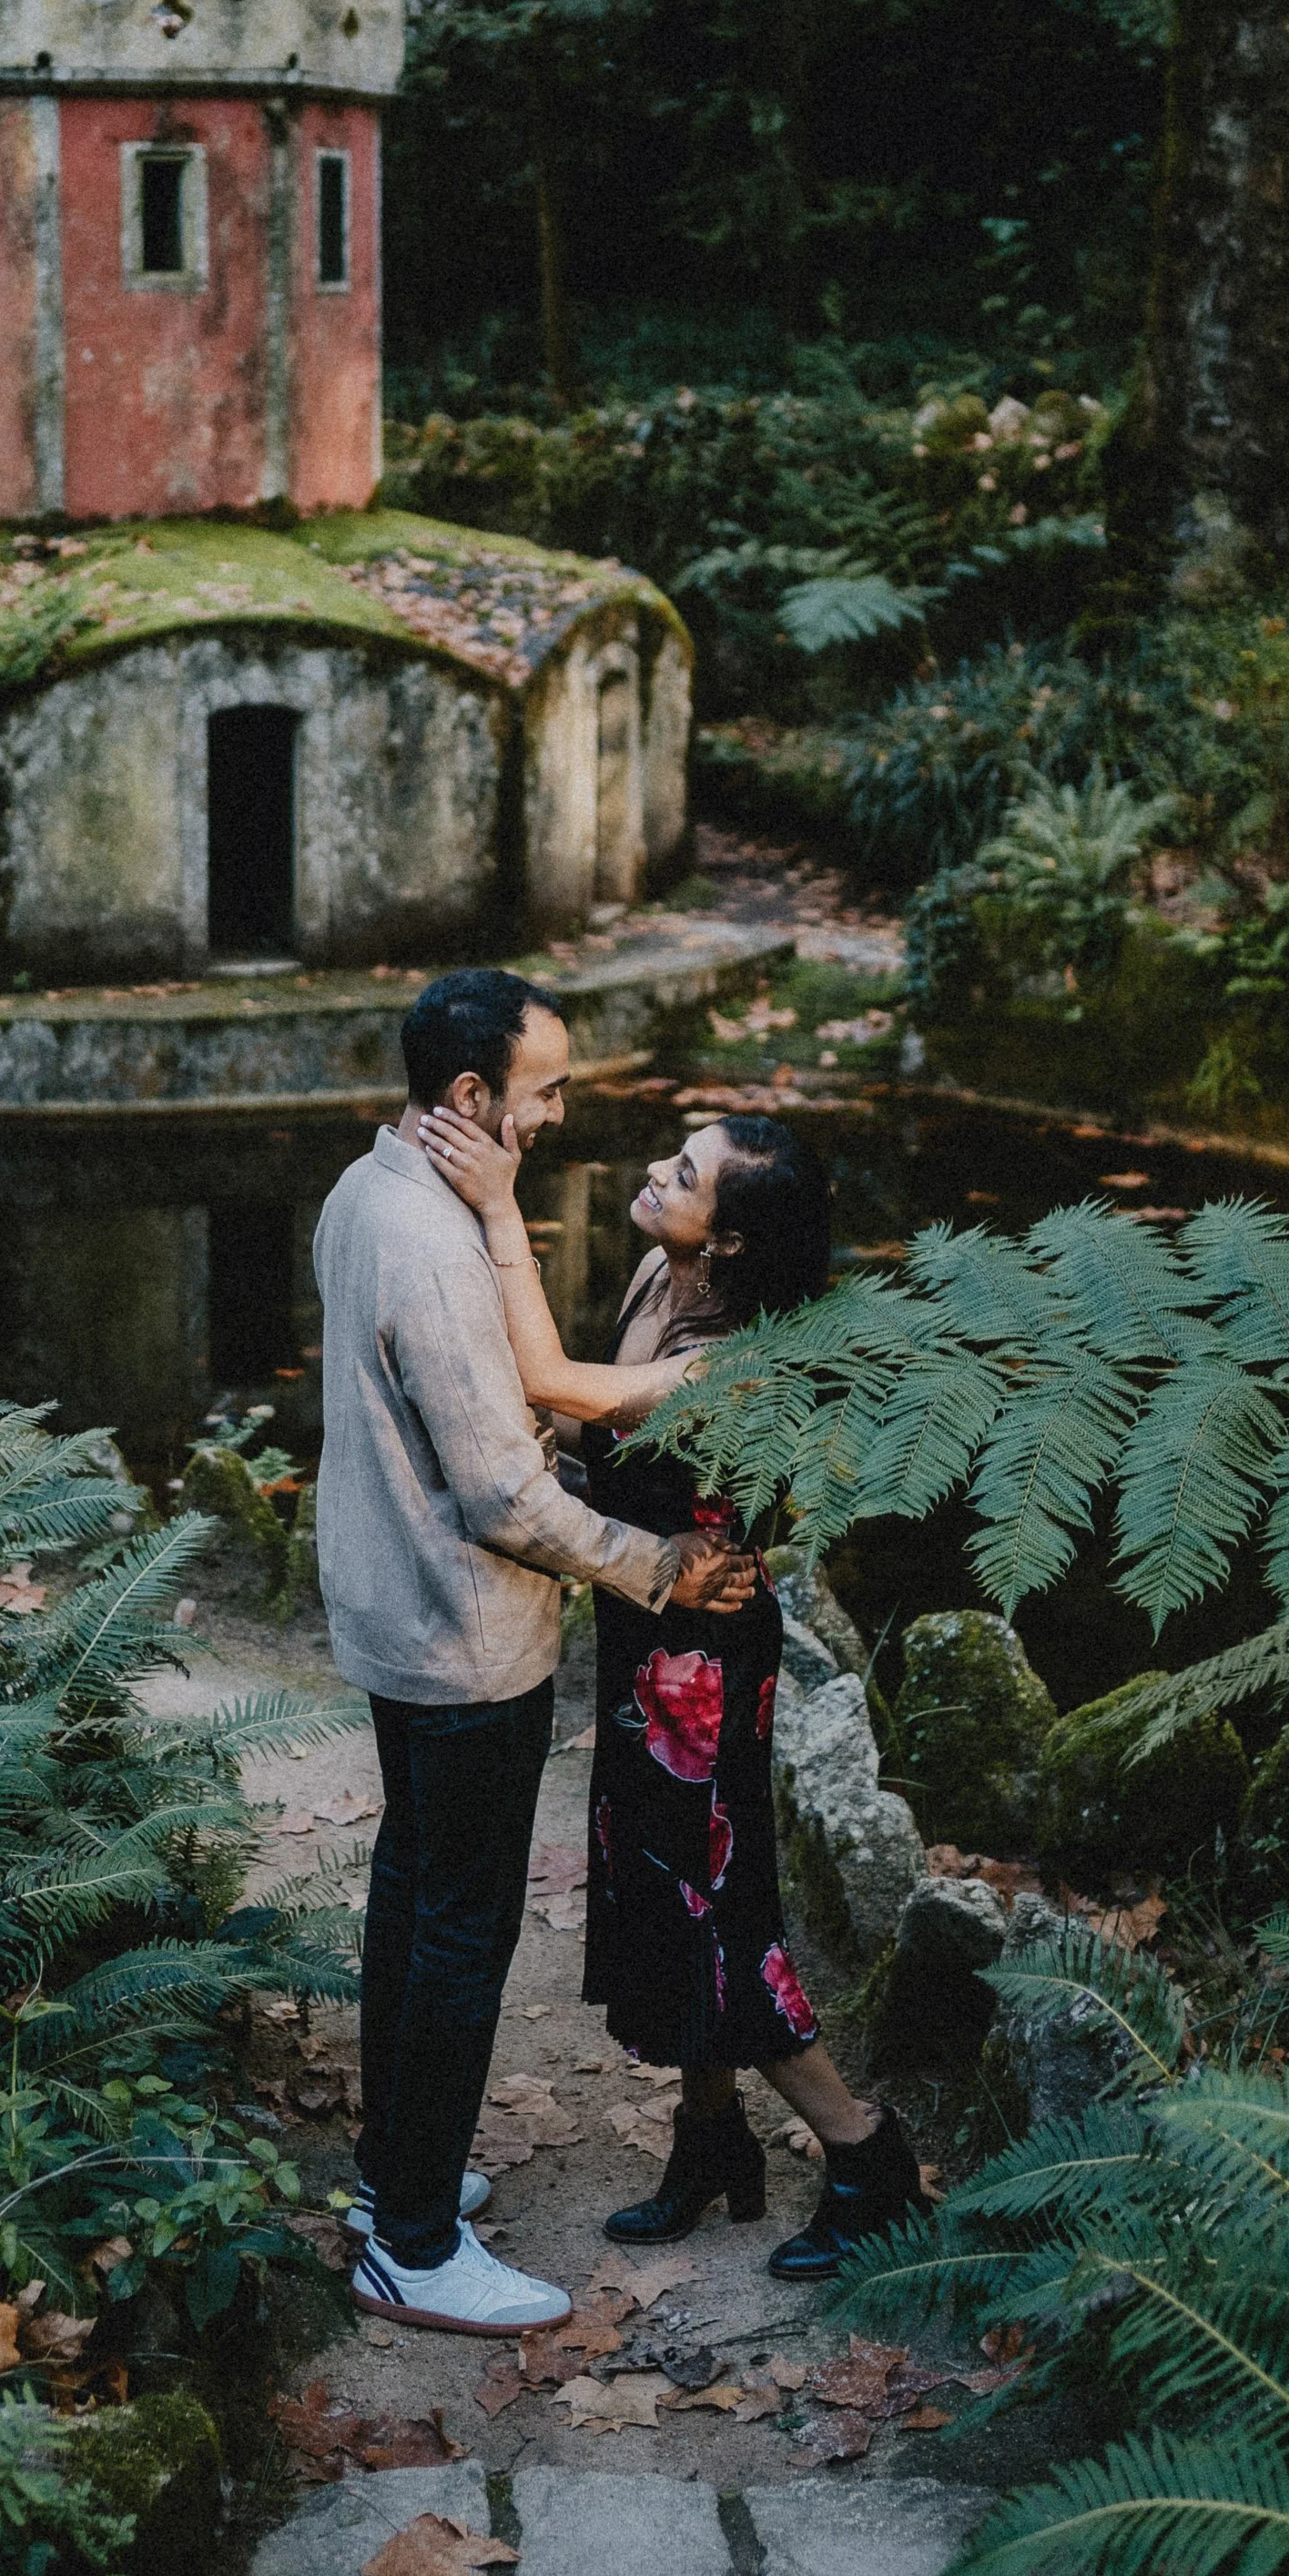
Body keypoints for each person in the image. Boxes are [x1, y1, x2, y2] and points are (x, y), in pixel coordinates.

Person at [312, 966, 751, 2338]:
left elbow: (468, 1422)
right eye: (545, 1087)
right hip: (464, 1638)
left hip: (398, 1621)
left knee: (411, 1893)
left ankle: (399, 2180)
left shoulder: (365, 1188)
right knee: (459, 1927)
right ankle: (419, 2246)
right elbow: (503, 1495)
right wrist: (659, 1569)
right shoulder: (440, 1247)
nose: (560, 1111)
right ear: (470, 1096)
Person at [416, 1097, 924, 2278]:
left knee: (723, 1914)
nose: (656, 1169)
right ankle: (711, 2140)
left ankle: (866, 2154)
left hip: (706, 1670)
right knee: (670, 1901)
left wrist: (497, 1204)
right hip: (651, 1639)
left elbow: (550, 1375)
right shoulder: (660, 1266)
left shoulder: (737, 1364)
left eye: (683, 1170)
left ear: (732, 1239)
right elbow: (570, 1413)